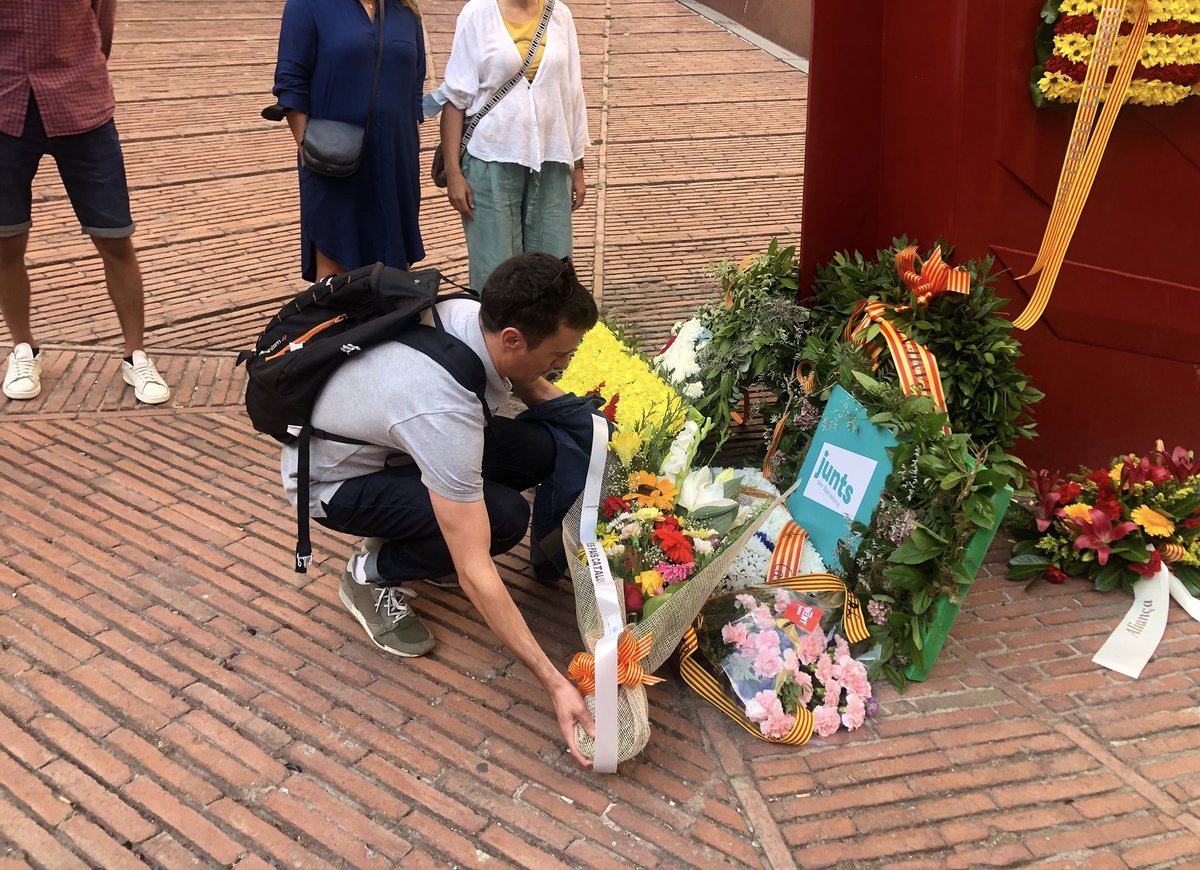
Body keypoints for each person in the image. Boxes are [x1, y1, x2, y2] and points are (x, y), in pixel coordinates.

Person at [280, 251, 599, 765]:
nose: (561, 365)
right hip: (337, 483)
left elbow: (529, 380)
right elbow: (475, 570)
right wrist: (555, 682)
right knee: (501, 521)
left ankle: (421, 534)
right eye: (558, 355)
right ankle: (368, 574)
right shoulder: (442, 411)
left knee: (542, 448)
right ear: (513, 338)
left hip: (393, 445)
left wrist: (596, 431)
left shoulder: (469, 314)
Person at [0, 0, 171, 404]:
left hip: (80, 104)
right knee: (6, 240)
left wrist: (78, 73)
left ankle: (135, 354)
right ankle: (23, 348)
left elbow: (102, 26)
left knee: (115, 237)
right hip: (5, 106)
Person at [437, 0, 588, 291]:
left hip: (552, 159)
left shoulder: (560, 14)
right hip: (490, 159)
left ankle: (545, 323)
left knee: (553, 269)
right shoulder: (477, 13)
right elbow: (456, 99)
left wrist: (578, 165)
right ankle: (494, 322)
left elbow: (573, 94)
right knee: (495, 272)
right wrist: (454, 173)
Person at [272, 0, 426, 282]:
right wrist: (306, 146)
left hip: (396, 158)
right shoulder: (308, 5)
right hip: (334, 157)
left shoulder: (406, 11)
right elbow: (291, 81)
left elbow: (415, 85)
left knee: (394, 266)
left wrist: (411, 146)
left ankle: (387, 311)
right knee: (335, 264)